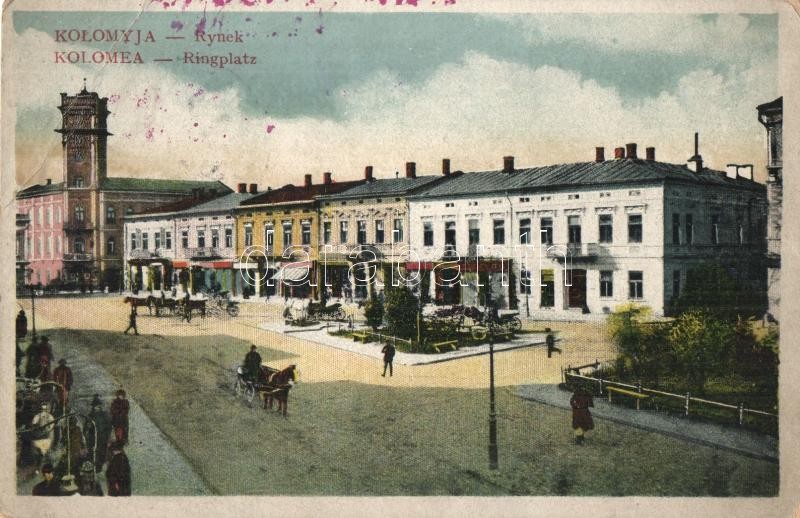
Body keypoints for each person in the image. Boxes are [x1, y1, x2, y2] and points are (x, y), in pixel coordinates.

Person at [87, 394, 112, 472]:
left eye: (97, 406)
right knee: (94, 453)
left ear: (100, 406)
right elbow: (86, 428)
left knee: (102, 453)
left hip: (102, 438)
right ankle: (95, 468)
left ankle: (99, 467)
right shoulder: (90, 416)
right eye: (94, 406)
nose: (95, 408)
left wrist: (107, 436)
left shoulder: (104, 415)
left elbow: (109, 427)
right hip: (93, 439)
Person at [31, 403, 55, 468]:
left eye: (45, 409)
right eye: (42, 409)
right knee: (37, 450)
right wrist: (36, 427)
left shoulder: (50, 417)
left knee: (45, 451)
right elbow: (33, 423)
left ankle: (46, 464)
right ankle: (38, 464)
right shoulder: (37, 416)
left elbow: (51, 427)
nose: (43, 411)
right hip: (38, 436)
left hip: (47, 437)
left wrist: (46, 429)